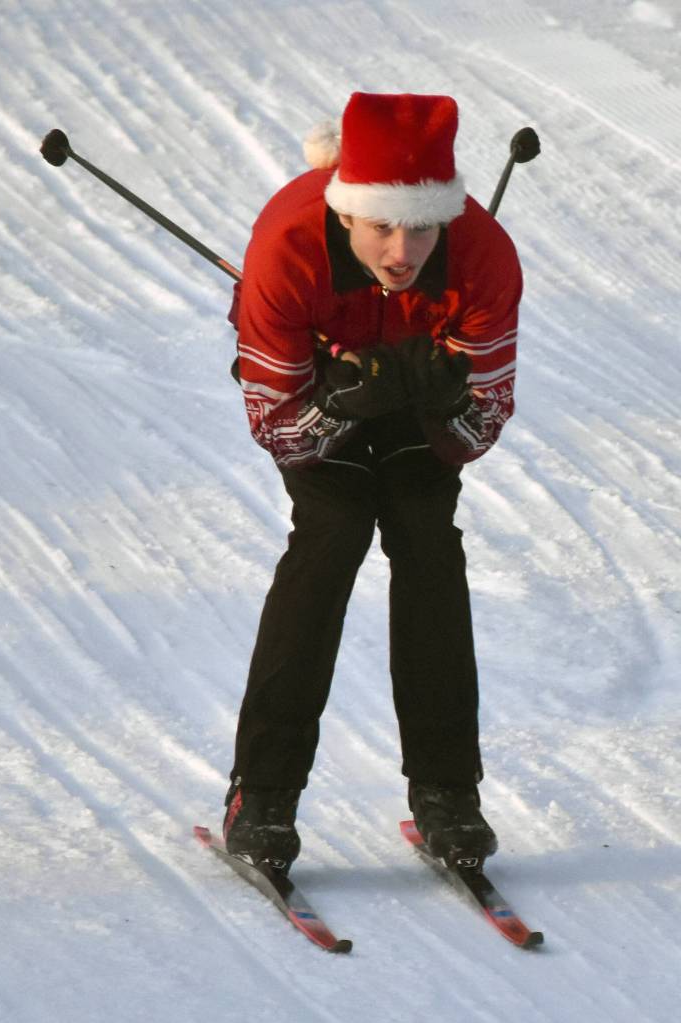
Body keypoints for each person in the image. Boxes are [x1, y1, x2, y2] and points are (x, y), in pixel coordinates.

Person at [222, 92, 522, 872]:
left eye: (422, 224)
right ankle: (262, 796)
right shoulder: (286, 248)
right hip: (323, 393)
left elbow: (482, 424)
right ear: (345, 212)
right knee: (332, 534)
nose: (403, 248)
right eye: (382, 224)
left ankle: (447, 793)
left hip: (419, 410)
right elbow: (274, 425)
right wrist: (335, 402)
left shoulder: (484, 256)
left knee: (427, 535)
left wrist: (447, 401)